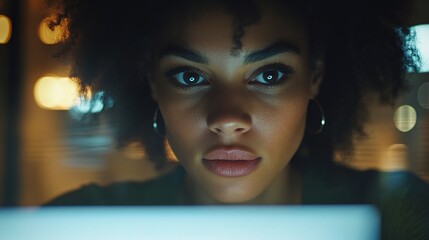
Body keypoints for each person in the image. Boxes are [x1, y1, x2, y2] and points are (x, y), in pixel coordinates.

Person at [45, 0, 429, 238]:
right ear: (152, 85)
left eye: (270, 75)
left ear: (314, 77)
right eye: (190, 77)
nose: (227, 119)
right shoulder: (76, 225)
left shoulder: (397, 214)